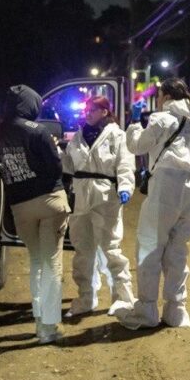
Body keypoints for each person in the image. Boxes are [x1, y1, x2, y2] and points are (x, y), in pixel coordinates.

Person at [115, 78, 190, 330]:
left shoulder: (161, 118)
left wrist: (134, 121)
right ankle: (176, 311)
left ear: (166, 97)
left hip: (166, 188)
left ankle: (147, 311)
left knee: (150, 248)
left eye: (159, 95)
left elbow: (136, 146)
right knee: (177, 251)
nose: (157, 99)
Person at [0, 85, 71, 345]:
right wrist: (55, 149)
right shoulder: (39, 131)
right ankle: (48, 326)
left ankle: (39, 320)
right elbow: (56, 168)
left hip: (20, 206)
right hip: (49, 201)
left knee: (36, 262)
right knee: (52, 263)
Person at [61, 96, 137, 318]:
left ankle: (122, 298)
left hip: (106, 197)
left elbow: (125, 164)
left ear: (105, 111)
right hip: (81, 196)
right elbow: (69, 164)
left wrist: (125, 186)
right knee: (83, 250)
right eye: (87, 109)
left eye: (93, 109)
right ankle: (86, 298)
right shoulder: (79, 136)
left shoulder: (117, 136)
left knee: (111, 248)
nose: (88, 113)